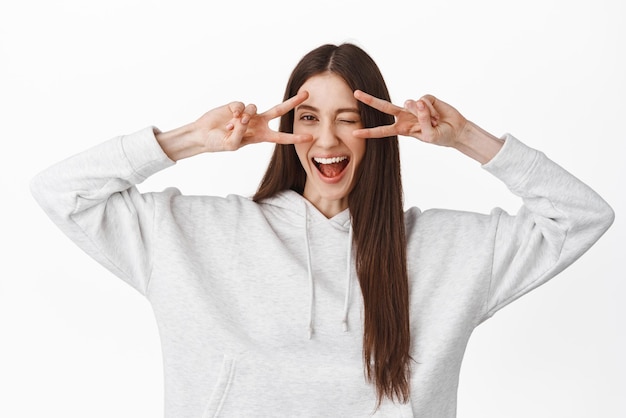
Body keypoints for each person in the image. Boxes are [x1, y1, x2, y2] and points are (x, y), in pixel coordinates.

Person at [30, 43, 614, 417]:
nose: (327, 141)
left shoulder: (445, 251)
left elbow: (582, 217)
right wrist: (187, 141)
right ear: (287, 127)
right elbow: (62, 193)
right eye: (308, 119)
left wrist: (466, 138)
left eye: (349, 121)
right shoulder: (195, 234)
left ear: (379, 134)